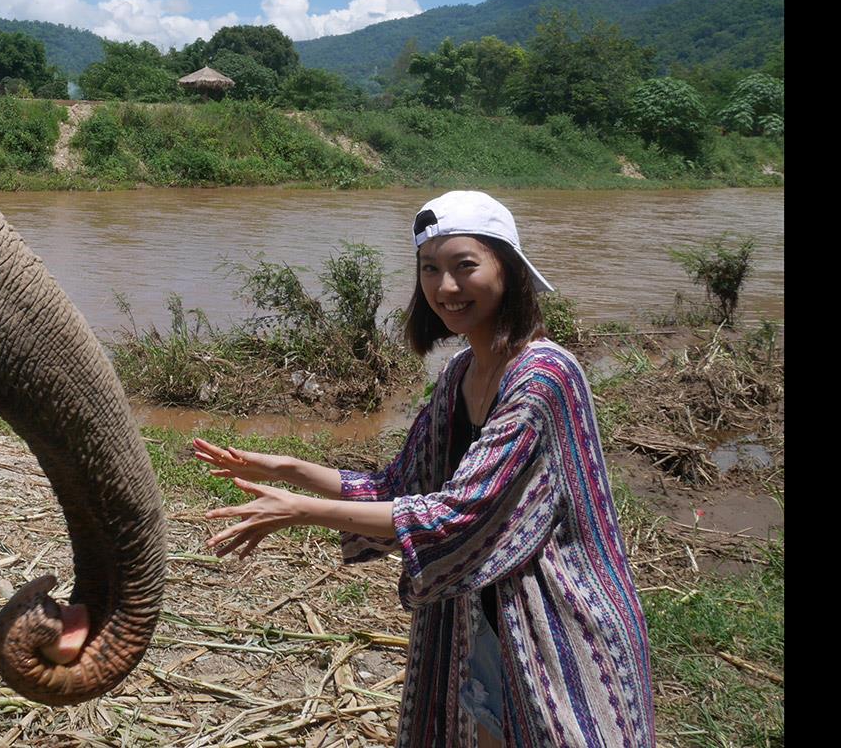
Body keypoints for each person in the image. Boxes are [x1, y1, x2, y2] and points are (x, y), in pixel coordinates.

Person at [194, 191, 654, 747]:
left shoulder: (543, 377)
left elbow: (460, 513)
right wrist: (288, 467)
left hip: (554, 622)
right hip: (485, 615)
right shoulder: (460, 373)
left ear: (507, 270)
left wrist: (301, 512)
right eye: (430, 269)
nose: (446, 287)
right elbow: (398, 487)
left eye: (465, 266)